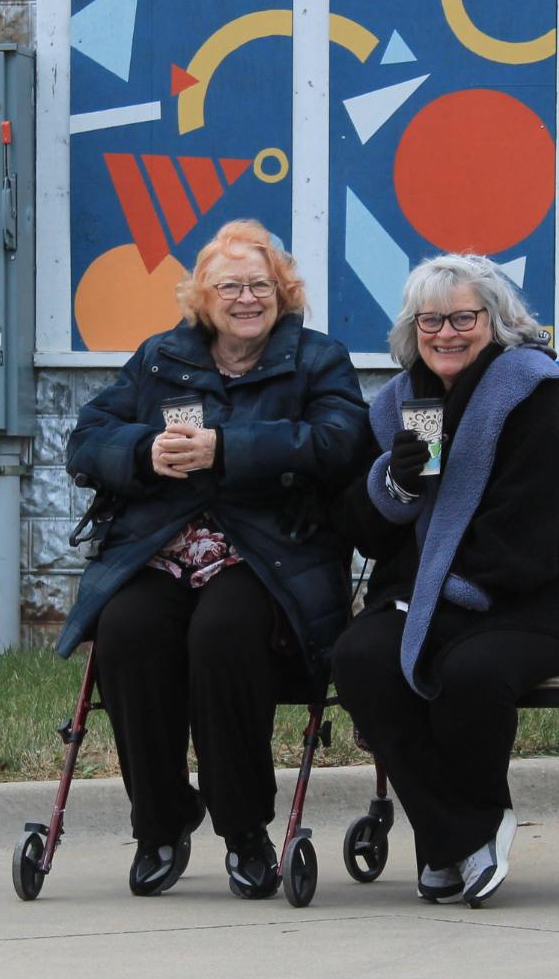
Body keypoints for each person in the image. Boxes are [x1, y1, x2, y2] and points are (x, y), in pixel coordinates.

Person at [57, 219, 368, 900]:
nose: (247, 298)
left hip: (268, 553)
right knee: (127, 631)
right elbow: (87, 440)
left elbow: (341, 441)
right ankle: (162, 822)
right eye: (230, 285)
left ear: (282, 292)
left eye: (260, 284)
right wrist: (143, 452)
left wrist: (225, 447)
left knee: (222, 634)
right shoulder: (162, 356)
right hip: (163, 547)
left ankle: (244, 828)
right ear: (203, 294)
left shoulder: (318, 359)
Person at [331, 253, 559, 908]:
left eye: (463, 318)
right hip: (431, 598)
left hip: (546, 601)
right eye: (431, 320)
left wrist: (439, 598)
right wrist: (395, 482)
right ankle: (458, 836)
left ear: (494, 322)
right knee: (359, 657)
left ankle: (455, 837)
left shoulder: (529, 395)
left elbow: (533, 531)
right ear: (412, 328)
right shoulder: (400, 406)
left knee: (470, 672)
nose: (446, 334)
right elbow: (365, 531)